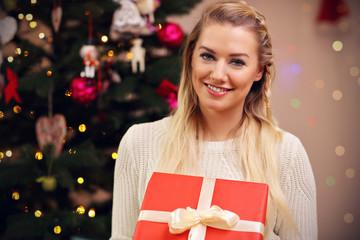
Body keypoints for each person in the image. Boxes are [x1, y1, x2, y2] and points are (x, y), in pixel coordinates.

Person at [110, 1, 318, 239]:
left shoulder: (287, 153)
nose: (218, 75)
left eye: (237, 62)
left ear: (259, 71)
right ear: (191, 58)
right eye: (208, 56)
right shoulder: (139, 143)